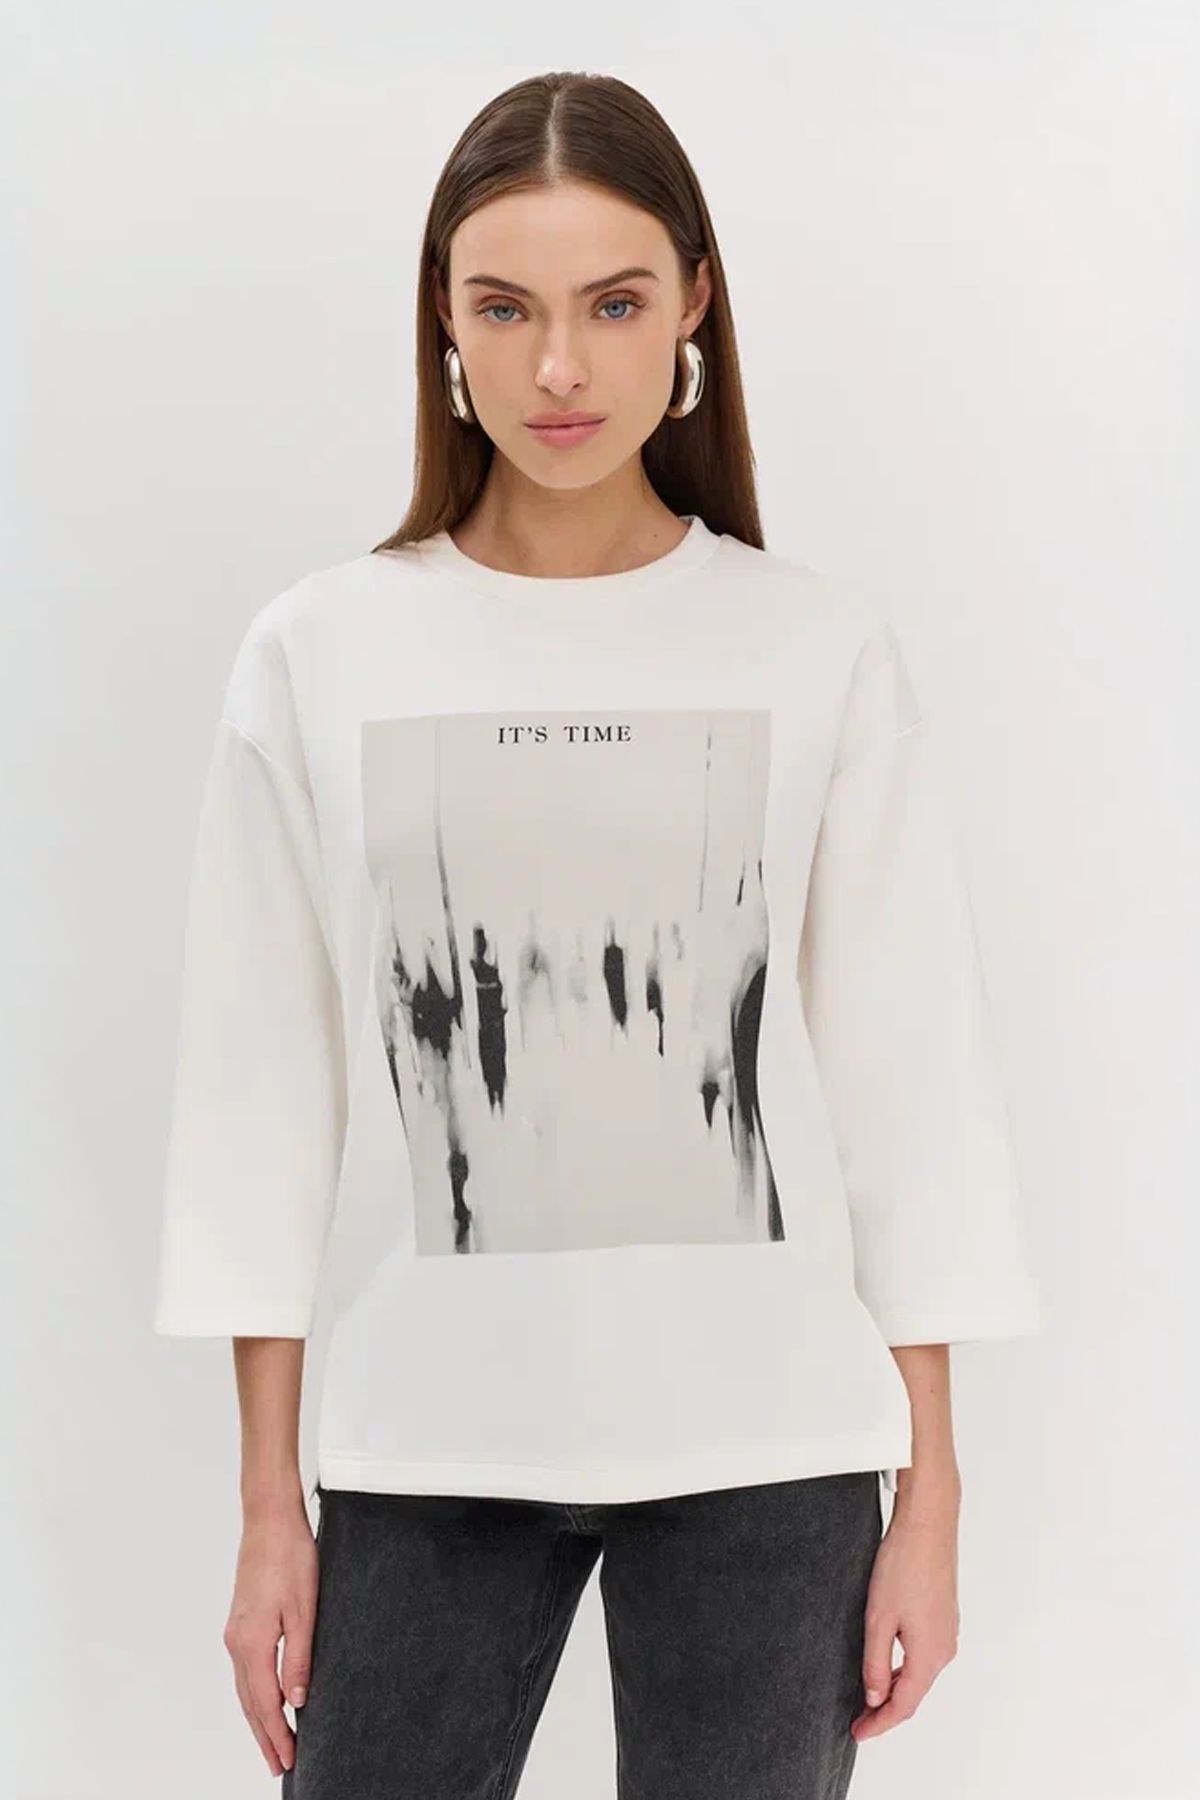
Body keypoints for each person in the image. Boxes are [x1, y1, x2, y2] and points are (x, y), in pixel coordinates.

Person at [153, 69, 1043, 1800]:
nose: (559, 367)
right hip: (425, 1440)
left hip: (772, 1448)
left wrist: (932, 1490)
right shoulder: (322, 650)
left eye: (614, 304)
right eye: (506, 307)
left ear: (695, 303)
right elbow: (259, 1100)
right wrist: (269, 1506)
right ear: (443, 318)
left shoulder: (815, 646)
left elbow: (907, 1083)